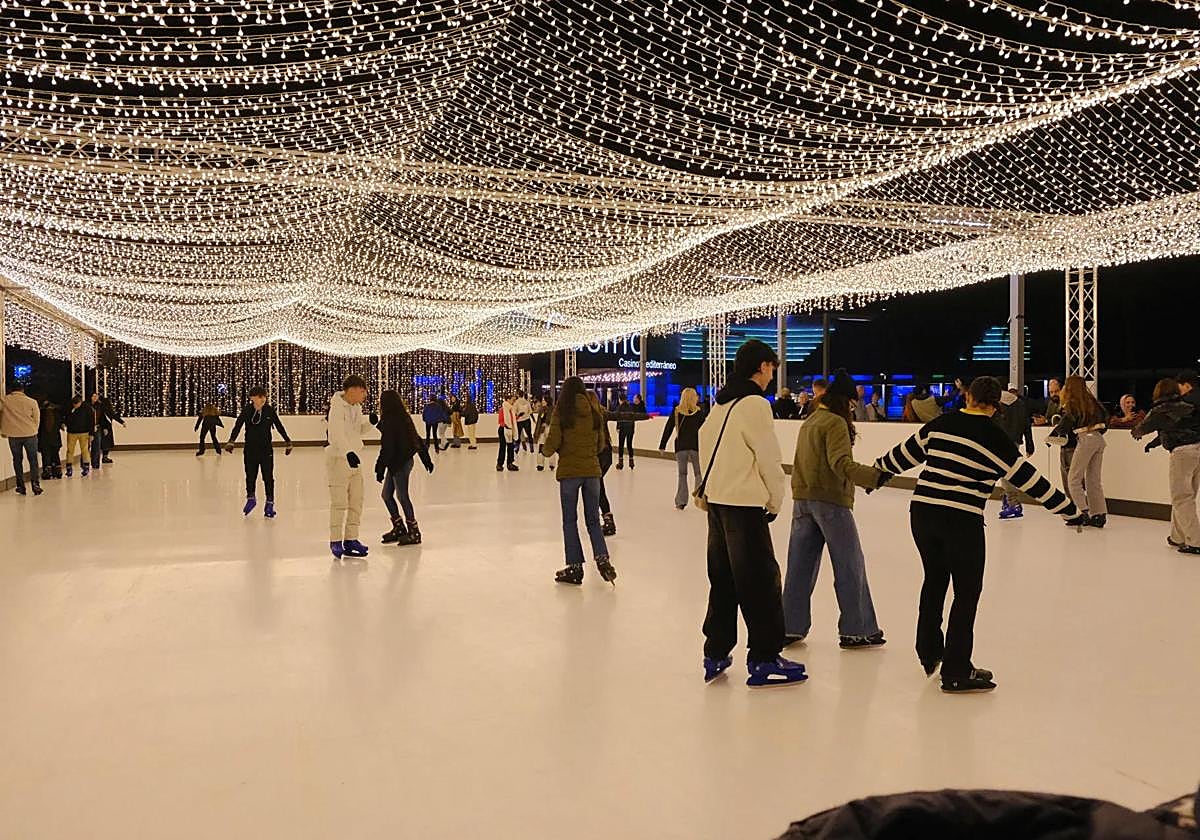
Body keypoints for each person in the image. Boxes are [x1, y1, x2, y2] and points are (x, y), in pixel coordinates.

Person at [875, 376, 1077, 693]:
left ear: (967, 396)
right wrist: (1070, 510)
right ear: (996, 405)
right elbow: (1030, 481)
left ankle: (929, 653)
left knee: (934, 579)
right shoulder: (994, 438)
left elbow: (899, 457)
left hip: (923, 515)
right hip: (961, 520)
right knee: (966, 593)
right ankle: (956, 670)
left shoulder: (940, 424)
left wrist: (874, 474)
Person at [698, 339, 806, 688]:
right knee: (760, 582)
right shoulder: (755, 404)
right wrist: (775, 500)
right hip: (745, 505)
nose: (773, 374)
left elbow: (703, 443)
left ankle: (715, 652)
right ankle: (763, 657)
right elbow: (768, 459)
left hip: (717, 503)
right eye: (772, 367)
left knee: (724, 581)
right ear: (762, 367)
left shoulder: (720, 405)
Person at [784, 370, 890, 650]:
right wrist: (874, 476)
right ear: (846, 401)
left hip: (802, 498)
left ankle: (789, 625)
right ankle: (857, 629)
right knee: (849, 564)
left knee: (799, 566)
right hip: (830, 501)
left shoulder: (812, 419)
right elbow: (840, 463)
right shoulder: (834, 423)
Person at [541, 377, 615, 586]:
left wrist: (545, 451)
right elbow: (601, 444)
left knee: (570, 521)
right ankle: (602, 559)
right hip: (592, 472)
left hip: (570, 474)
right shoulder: (594, 412)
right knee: (593, 520)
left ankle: (575, 567)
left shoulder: (562, 412)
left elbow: (552, 443)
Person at [1132, 375, 1200, 554]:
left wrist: (1139, 431)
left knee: (1181, 497)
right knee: (1187, 496)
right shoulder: (1189, 406)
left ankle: (1195, 541)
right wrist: (1155, 441)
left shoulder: (1160, 410)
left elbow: (1139, 429)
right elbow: (1174, 427)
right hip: (1198, 450)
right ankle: (1178, 536)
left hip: (1182, 453)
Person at [325, 375, 375, 559]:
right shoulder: (337, 408)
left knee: (356, 501)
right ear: (352, 390)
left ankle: (351, 538)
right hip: (339, 460)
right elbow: (336, 433)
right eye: (362, 391)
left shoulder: (357, 407)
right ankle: (335, 540)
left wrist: (371, 422)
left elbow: (357, 430)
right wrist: (347, 452)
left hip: (355, 460)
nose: (364, 395)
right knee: (339, 502)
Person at [375, 389, 434, 546]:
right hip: (400, 461)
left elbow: (388, 445)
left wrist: (379, 467)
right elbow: (414, 438)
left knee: (402, 496)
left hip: (400, 463)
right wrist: (426, 459)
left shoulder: (392, 419)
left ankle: (414, 532)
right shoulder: (401, 417)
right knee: (387, 495)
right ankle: (399, 527)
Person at [225, 387, 293, 518]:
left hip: (266, 450)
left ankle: (270, 503)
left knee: (268, 477)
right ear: (252, 398)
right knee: (250, 476)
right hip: (250, 449)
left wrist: (288, 441)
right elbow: (238, 425)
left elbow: (279, 426)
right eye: (259, 396)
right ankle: (251, 498)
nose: (263, 399)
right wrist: (231, 441)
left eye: (264, 396)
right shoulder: (247, 410)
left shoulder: (269, 410)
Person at [1051, 376, 1109, 528]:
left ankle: (1081, 512)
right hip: (1098, 439)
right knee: (1093, 479)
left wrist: (1054, 433)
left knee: (1073, 479)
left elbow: (1065, 424)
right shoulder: (1093, 402)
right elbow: (1106, 419)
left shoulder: (1072, 404)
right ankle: (1099, 514)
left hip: (1084, 438)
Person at [994, 382, 1035, 520]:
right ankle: (1008, 500)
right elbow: (1026, 424)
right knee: (1007, 472)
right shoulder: (1020, 404)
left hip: (1001, 441)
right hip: (1014, 441)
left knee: (1006, 473)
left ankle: (1013, 503)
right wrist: (1030, 444)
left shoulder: (997, 402)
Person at [659, 387, 705, 510]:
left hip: (681, 447)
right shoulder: (699, 413)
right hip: (696, 446)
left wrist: (662, 445)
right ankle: (700, 498)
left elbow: (668, 428)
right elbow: (705, 430)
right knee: (698, 473)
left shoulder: (677, 412)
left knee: (682, 474)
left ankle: (681, 501)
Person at [0, 382, 42, 496]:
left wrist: (3, 429)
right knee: (33, 460)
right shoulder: (32, 401)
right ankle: (35, 484)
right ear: (23, 390)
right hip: (30, 433)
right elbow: (37, 419)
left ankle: (20, 486)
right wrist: (34, 429)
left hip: (13, 435)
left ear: (11, 390)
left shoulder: (5, 400)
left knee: (17, 460)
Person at [589, 391, 619, 536]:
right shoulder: (603, 412)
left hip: (598, 455)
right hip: (607, 455)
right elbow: (622, 416)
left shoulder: (589, 415)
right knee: (598, 487)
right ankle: (606, 519)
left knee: (597, 489)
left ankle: (606, 521)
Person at [89, 393, 125, 467]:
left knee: (103, 444)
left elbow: (112, 415)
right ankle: (94, 461)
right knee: (98, 445)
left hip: (104, 427)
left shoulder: (102, 407)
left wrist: (121, 422)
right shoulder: (94, 407)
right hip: (99, 427)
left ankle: (100, 460)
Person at [63, 395, 94, 477]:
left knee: (85, 450)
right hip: (72, 432)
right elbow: (66, 416)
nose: (75, 406)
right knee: (70, 450)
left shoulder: (87, 408)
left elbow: (91, 421)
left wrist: (91, 434)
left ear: (80, 402)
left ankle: (86, 467)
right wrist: (64, 423)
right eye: (74, 404)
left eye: (76, 404)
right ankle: (69, 468)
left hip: (84, 432)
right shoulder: (70, 407)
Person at [37, 394, 63, 480]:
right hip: (55, 438)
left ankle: (47, 472)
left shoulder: (41, 414)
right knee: (55, 455)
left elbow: (39, 427)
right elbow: (59, 425)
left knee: (46, 456)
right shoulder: (56, 414)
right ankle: (57, 471)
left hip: (44, 439)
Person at [534, 399, 558, 473]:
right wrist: (536, 432)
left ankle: (552, 464)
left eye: (544, 400)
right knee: (541, 446)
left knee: (550, 447)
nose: (543, 402)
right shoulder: (542, 410)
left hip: (549, 430)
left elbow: (554, 420)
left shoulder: (553, 409)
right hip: (542, 431)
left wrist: (548, 424)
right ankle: (540, 464)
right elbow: (539, 421)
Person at [496, 393, 518, 471]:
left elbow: (512, 420)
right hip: (503, 429)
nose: (514, 402)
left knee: (510, 447)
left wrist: (517, 417)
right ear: (508, 400)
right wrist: (506, 426)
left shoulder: (511, 409)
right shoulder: (503, 409)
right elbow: (501, 421)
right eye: (513, 400)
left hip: (510, 429)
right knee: (503, 447)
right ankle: (499, 464)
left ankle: (510, 463)